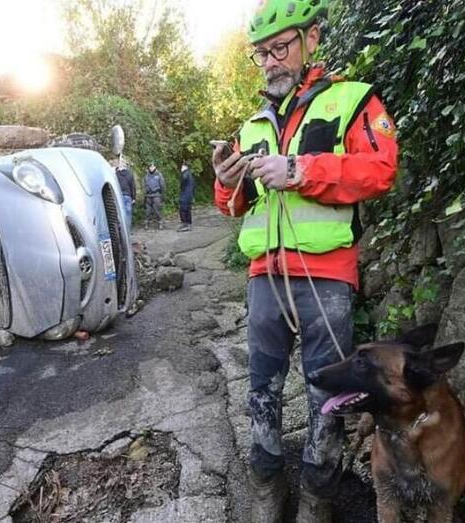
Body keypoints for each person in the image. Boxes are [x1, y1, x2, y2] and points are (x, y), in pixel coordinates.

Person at [212, 1, 398, 522]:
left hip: (327, 278)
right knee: (262, 388)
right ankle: (266, 484)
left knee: (326, 394)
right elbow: (230, 204)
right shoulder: (250, 125)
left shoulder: (352, 99)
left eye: (280, 47)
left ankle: (317, 498)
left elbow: (382, 168)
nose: (270, 61)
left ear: (311, 39)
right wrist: (227, 183)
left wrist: (299, 168)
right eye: (260, 54)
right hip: (264, 278)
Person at [143, 163, 165, 230]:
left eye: (153, 166)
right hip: (148, 195)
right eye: (150, 167)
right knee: (148, 211)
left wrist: (162, 195)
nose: (151, 168)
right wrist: (145, 192)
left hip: (156, 195)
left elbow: (162, 185)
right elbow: (144, 185)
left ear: (155, 167)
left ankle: (160, 222)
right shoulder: (146, 176)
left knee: (157, 210)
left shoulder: (159, 175)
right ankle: (146, 223)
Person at [116, 165, 137, 231]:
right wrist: (133, 198)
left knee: (119, 213)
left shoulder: (116, 174)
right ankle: (128, 230)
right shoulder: (129, 174)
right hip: (128, 196)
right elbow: (133, 186)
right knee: (128, 214)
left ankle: (121, 230)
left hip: (118, 196)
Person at [177, 162, 195, 232]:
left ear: (185, 167)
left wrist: (181, 185)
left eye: (182, 167)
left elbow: (183, 180)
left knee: (182, 209)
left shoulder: (185, 174)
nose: (181, 168)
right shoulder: (190, 174)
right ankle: (188, 223)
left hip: (185, 194)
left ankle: (184, 223)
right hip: (189, 194)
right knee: (188, 209)